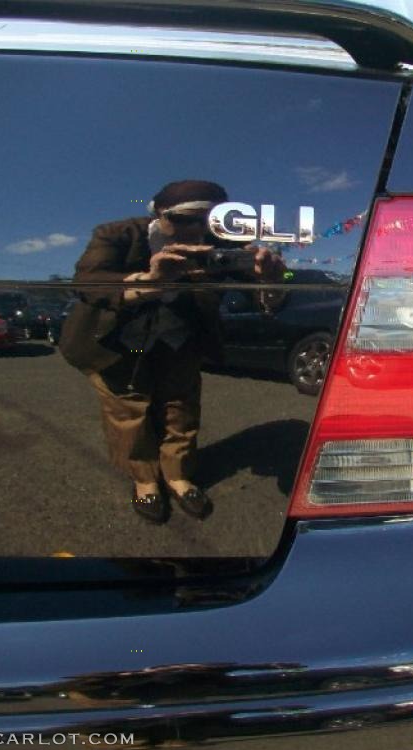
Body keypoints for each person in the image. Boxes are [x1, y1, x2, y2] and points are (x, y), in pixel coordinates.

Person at [60, 180, 281, 524]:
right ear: (158, 212)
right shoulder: (118, 233)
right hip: (124, 337)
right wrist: (150, 280)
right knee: (129, 407)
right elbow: (87, 282)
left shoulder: (223, 248)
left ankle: (178, 474)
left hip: (180, 337)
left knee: (181, 405)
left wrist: (271, 278)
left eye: (210, 221)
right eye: (186, 219)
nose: (196, 229)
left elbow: (268, 303)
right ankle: (145, 480)